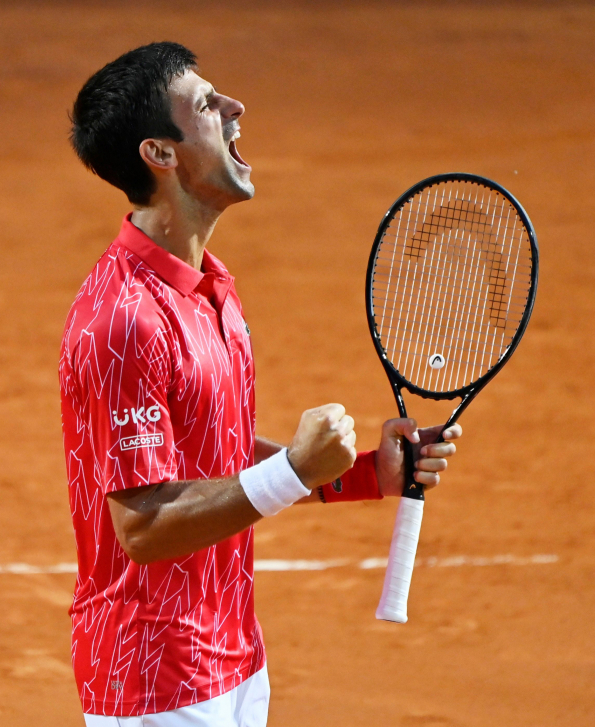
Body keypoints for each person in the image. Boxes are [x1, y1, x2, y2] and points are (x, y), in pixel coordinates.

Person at [60, 41, 462, 727]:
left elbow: (207, 455)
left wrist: (362, 475)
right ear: (161, 154)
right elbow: (145, 525)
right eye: (208, 106)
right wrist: (299, 466)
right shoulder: (123, 321)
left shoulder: (208, 287)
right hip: (155, 679)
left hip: (233, 659)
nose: (235, 108)